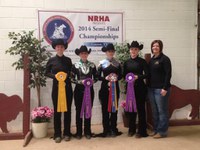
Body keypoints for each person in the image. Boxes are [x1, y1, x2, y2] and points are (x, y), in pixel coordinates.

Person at [45, 39, 73, 143]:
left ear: (64, 48)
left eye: (61, 47)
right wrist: (55, 76)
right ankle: (57, 134)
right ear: (55, 48)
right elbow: (46, 72)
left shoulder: (68, 60)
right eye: (58, 47)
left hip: (68, 88)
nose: (60, 48)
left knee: (67, 111)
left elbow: (71, 73)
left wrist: (69, 76)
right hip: (56, 89)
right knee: (57, 111)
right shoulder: (51, 60)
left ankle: (67, 133)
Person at [123, 41, 149, 138]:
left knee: (141, 109)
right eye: (132, 49)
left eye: (135, 49)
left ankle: (142, 131)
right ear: (129, 50)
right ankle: (132, 129)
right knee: (131, 110)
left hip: (140, 88)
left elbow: (147, 74)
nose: (133, 51)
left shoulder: (142, 61)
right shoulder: (126, 62)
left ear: (138, 50)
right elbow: (124, 75)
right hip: (130, 88)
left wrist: (137, 77)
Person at [71, 45, 97, 140]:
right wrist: (80, 82)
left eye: (85, 53)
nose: (84, 55)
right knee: (79, 111)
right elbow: (71, 78)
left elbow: (97, 77)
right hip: (78, 90)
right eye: (82, 53)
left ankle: (87, 131)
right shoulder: (75, 65)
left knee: (88, 110)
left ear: (87, 54)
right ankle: (78, 132)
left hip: (90, 90)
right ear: (79, 54)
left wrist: (91, 82)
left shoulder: (92, 65)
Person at [148, 40, 172, 138]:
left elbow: (168, 74)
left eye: (157, 46)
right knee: (155, 111)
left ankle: (162, 132)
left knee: (162, 111)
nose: (155, 47)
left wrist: (165, 88)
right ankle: (156, 129)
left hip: (161, 89)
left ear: (161, 47)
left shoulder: (165, 59)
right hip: (151, 89)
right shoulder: (152, 59)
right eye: (153, 46)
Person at [97, 43, 122, 137]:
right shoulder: (101, 63)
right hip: (104, 88)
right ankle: (106, 129)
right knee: (105, 109)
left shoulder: (118, 63)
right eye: (109, 51)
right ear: (106, 52)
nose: (110, 53)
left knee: (114, 109)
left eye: (112, 51)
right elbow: (98, 76)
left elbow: (121, 75)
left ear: (114, 52)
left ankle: (113, 129)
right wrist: (106, 78)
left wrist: (116, 78)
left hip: (115, 88)